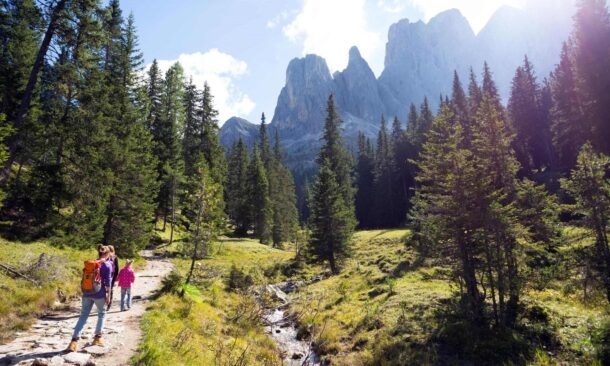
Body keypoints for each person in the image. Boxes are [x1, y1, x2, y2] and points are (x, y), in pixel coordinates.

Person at [67, 245, 113, 352]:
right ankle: (97, 338)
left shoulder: (91, 264)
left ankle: (74, 341)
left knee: (83, 316)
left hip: (87, 293)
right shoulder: (107, 265)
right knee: (102, 314)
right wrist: (108, 295)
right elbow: (108, 282)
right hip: (99, 294)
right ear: (108, 253)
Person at [106, 245, 120, 310]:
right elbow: (117, 268)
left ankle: (105, 303)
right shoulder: (115, 257)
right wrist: (116, 277)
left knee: (105, 289)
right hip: (112, 275)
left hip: (106, 275)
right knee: (110, 289)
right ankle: (109, 304)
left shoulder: (106, 256)